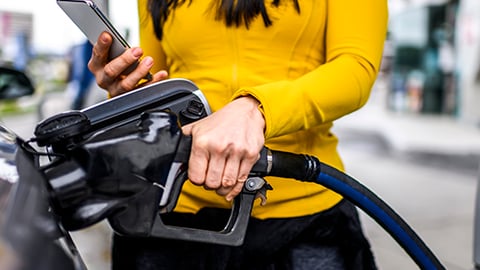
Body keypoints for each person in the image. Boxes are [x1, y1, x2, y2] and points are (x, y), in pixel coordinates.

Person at [88, 0, 388, 269]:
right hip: (173, 208)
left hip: (302, 212)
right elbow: (162, 81)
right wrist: (127, 87)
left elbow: (355, 68)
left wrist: (255, 109)